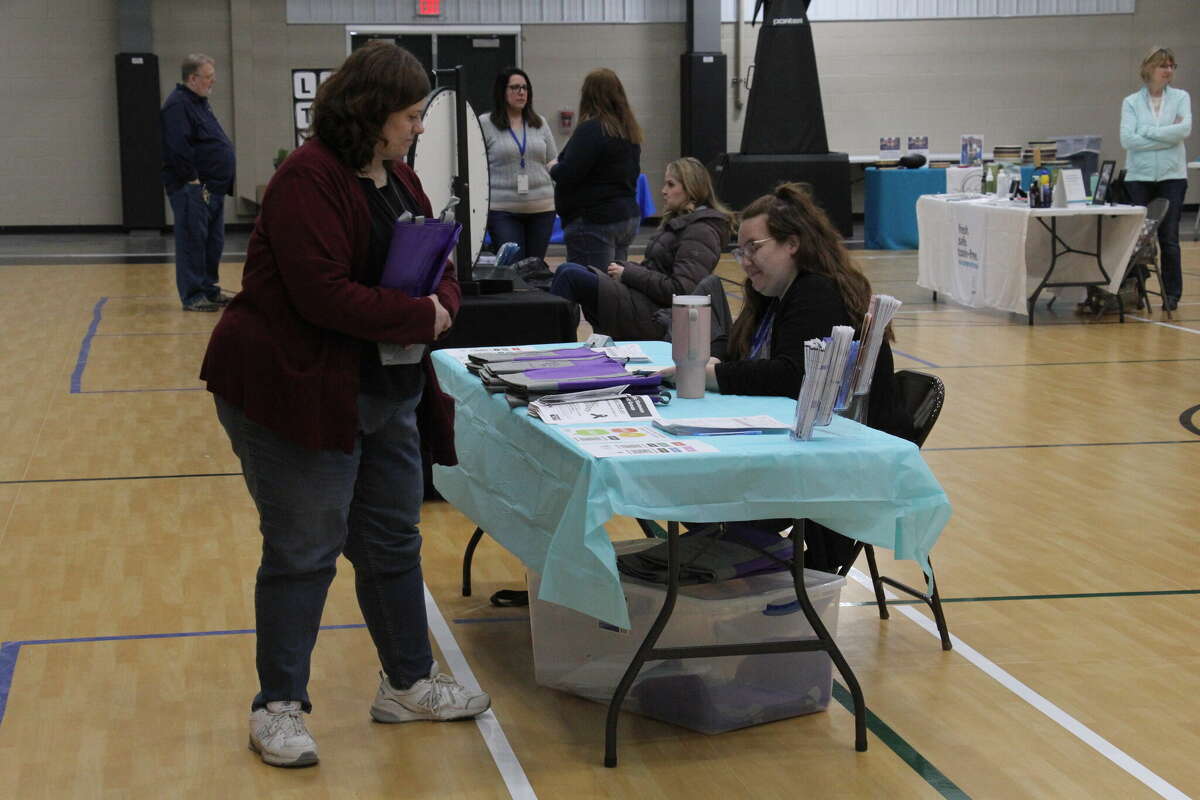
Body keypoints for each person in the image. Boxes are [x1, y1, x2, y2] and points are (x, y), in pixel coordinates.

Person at [199, 41, 489, 769]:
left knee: (392, 542)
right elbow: (321, 295)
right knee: (303, 552)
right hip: (293, 392)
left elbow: (440, 263)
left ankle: (408, 684)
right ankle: (278, 708)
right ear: (371, 112)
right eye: (411, 115)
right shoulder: (308, 179)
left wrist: (441, 304)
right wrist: (419, 316)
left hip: (381, 391)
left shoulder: (400, 177)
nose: (419, 127)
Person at [662, 182, 912, 573]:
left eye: (754, 248)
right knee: (692, 486)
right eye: (740, 251)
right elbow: (745, 353)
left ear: (792, 244)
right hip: (805, 450)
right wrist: (711, 361)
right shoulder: (776, 294)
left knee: (696, 489)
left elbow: (790, 374)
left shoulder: (816, 293)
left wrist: (708, 374)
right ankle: (734, 567)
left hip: (840, 464)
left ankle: (744, 572)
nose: (745, 260)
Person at [550, 156, 733, 340]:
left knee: (570, 275)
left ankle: (553, 347)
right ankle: (555, 344)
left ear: (691, 189)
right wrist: (627, 267)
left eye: (671, 185)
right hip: (646, 302)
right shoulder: (681, 222)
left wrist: (628, 273)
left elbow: (682, 291)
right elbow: (655, 270)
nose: (663, 191)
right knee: (568, 271)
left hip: (660, 316)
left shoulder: (701, 231)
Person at [161, 54, 237, 312]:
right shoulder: (178, 105)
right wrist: (192, 180)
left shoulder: (199, 103)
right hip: (193, 188)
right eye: (208, 77)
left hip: (213, 188)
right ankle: (193, 295)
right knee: (193, 241)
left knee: (212, 242)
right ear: (192, 78)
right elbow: (177, 146)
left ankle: (208, 289)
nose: (213, 81)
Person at [1120, 46, 1191, 312]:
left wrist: (1147, 132)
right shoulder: (1131, 102)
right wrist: (1165, 136)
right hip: (1139, 177)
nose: (1168, 70)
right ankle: (1136, 289)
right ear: (1149, 68)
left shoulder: (1181, 98)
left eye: (1172, 66)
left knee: (1169, 237)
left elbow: (1183, 130)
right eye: (1163, 65)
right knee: (1139, 238)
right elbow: (1128, 139)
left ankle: (1171, 294)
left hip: (1172, 177)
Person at [550, 68, 643, 268]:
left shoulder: (591, 129)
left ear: (588, 96)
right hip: (625, 216)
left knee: (591, 281)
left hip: (594, 219)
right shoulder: (628, 131)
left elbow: (569, 172)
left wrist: (553, 168)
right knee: (614, 281)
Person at [479, 67, 558, 262]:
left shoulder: (540, 122)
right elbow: (478, 166)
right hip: (502, 209)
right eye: (515, 87)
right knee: (512, 267)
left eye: (524, 88)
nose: (521, 92)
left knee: (534, 268)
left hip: (542, 208)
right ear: (502, 91)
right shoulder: (486, 123)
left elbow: (552, 159)